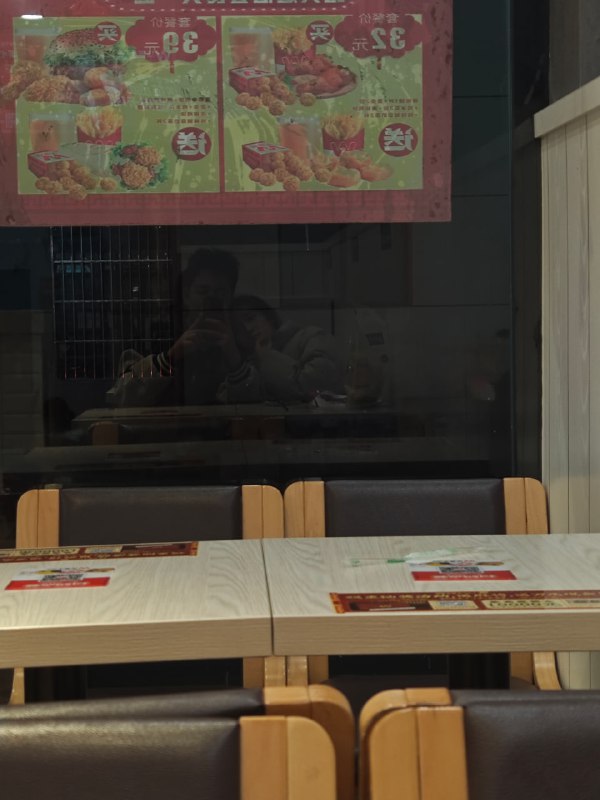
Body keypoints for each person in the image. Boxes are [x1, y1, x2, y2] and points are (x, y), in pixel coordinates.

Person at [106, 248, 261, 407]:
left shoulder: (242, 339)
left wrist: (234, 357)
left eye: (220, 293)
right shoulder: (159, 333)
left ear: (230, 297)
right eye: (203, 291)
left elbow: (255, 407)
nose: (211, 299)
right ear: (186, 295)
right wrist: (170, 357)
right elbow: (122, 397)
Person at [230, 294, 344, 404]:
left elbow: (318, 385)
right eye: (239, 328)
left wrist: (267, 357)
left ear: (269, 317)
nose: (248, 328)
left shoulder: (312, 337)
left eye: (250, 318)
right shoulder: (250, 364)